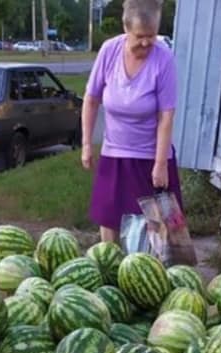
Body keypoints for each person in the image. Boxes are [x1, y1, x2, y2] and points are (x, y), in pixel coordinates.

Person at [81, 0, 182, 244]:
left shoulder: (163, 58)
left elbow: (166, 115)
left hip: (151, 154)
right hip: (115, 153)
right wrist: (86, 144)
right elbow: (91, 99)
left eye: (152, 35)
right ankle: (110, 271)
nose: (147, 42)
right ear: (126, 28)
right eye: (140, 36)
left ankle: (160, 274)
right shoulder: (109, 50)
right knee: (109, 218)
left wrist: (160, 164)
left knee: (161, 230)